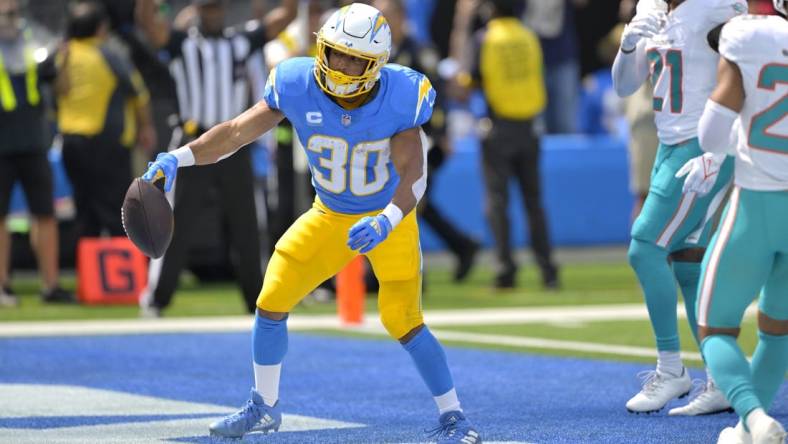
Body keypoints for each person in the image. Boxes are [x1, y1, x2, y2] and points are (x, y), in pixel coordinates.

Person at [140, 3, 481, 443]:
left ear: (375, 65)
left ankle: (454, 417)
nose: (339, 63)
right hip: (330, 214)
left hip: (387, 218)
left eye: (351, 57)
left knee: (402, 318)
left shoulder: (401, 96)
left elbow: (414, 178)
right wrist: (180, 157)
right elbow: (237, 132)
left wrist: (386, 220)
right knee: (272, 297)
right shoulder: (297, 82)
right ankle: (264, 406)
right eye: (334, 52)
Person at [611, 0, 746, 414]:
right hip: (668, 145)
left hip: (703, 146)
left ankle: (671, 370)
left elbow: (750, 79)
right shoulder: (649, 5)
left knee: (644, 246)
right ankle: (722, 379)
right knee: (688, 263)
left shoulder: (721, 5)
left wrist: (721, 151)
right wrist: (628, 46)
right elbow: (623, 86)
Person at [134, 0, 297, 317]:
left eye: (218, 8)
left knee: (248, 224)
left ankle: (258, 302)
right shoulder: (183, 42)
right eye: (208, 8)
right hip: (192, 142)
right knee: (173, 222)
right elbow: (147, 25)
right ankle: (156, 299)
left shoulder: (241, 41)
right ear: (197, 11)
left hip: (233, 144)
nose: (214, 14)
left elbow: (286, 16)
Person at [687, 4, 788, 443]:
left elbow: (711, 133)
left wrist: (733, 142)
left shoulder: (745, 35)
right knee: (778, 330)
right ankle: (748, 430)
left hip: (757, 204)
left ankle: (754, 415)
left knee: (714, 327)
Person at [374, 0, 479, 282]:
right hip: (390, 143)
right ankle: (462, 245)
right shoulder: (380, 53)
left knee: (409, 202)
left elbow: (436, 96)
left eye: (385, 16)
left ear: (401, 17)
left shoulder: (419, 51)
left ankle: (413, 271)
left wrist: (441, 134)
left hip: (422, 141)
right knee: (415, 201)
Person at [458, 0, 559, 290]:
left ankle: (505, 270)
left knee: (497, 202)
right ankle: (548, 270)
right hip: (530, 126)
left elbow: (471, 79)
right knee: (534, 202)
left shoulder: (485, 38)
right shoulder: (528, 35)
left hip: (499, 126)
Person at [57, 1, 156, 240]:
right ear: (100, 28)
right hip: (107, 143)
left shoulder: (63, 55)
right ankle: (122, 271)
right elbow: (138, 93)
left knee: (84, 211)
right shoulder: (110, 53)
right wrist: (147, 126)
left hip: (71, 143)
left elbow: (57, 93)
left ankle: (89, 272)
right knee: (118, 212)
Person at [0, 0, 74, 306]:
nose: (10, 20)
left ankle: (51, 285)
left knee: (45, 214)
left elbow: (62, 90)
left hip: (34, 143)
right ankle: (2, 286)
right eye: (5, 14)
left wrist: (65, 62)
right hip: (1, 146)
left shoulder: (33, 45)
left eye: (14, 14)